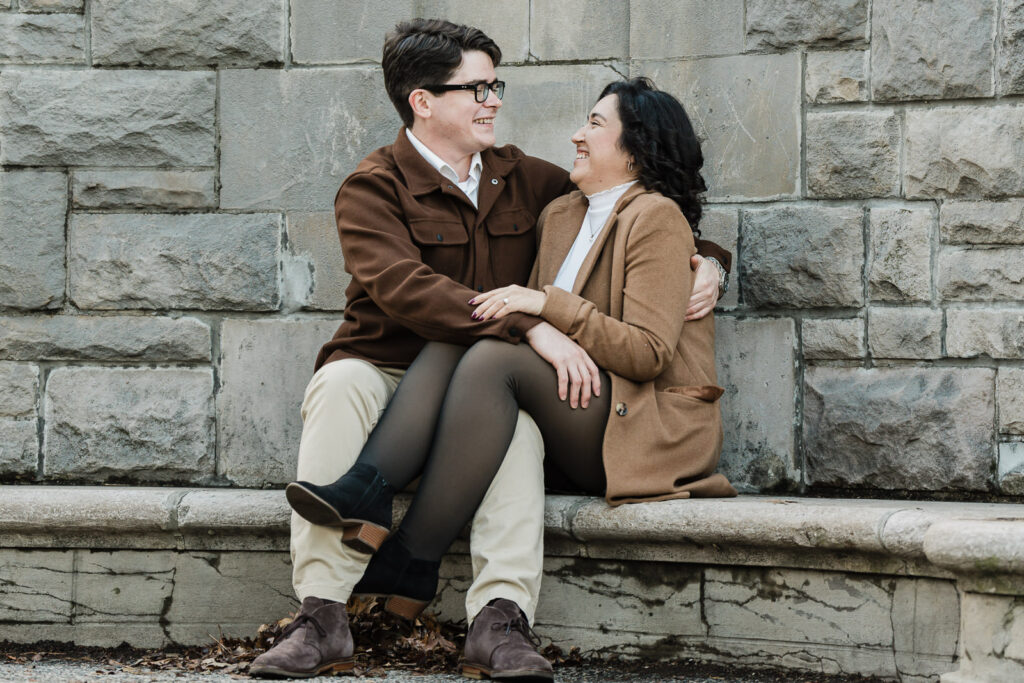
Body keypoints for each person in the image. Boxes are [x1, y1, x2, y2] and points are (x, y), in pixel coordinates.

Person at [251, 18, 730, 680]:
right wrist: (528, 323)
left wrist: (706, 260)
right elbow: (408, 290)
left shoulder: (526, 180)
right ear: (423, 100)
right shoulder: (373, 186)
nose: (494, 100)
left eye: (494, 85)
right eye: (478, 88)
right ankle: (322, 614)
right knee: (337, 390)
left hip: (483, 369)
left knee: (513, 414)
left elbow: (641, 206)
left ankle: (497, 616)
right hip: (386, 363)